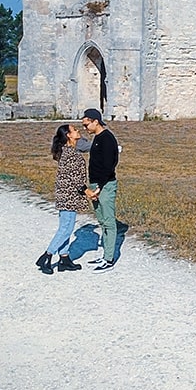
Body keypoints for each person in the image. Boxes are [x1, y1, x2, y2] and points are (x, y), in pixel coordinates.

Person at [35, 123, 91, 275]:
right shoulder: (70, 154)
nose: (78, 130)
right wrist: (89, 192)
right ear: (68, 135)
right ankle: (47, 256)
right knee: (65, 229)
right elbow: (76, 180)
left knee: (66, 227)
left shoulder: (69, 150)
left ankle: (64, 258)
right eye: (74, 130)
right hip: (68, 196)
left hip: (66, 195)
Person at [81, 108, 120, 272]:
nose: (85, 128)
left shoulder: (107, 138)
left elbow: (110, 164)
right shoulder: (97, 137)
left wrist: (99, 188)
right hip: (95, 185)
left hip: (105, 186)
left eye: (86, 124)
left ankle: (109, 259)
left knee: (109, 222)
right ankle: (105, 255)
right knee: (102, 220)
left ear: (95, 121)